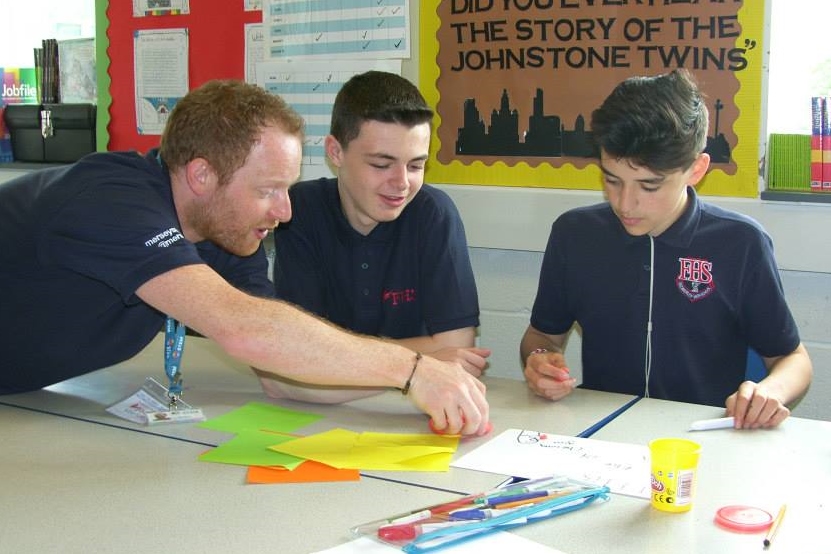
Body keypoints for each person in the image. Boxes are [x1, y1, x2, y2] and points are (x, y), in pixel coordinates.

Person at [0, 79, 489, 436]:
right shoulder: (111, 201)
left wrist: (412, 370)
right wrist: (413, 369)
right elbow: (247, 330)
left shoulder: (230, 238)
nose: (286, 209)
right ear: (201, 176)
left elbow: (282, 370)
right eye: (269, 190)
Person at [520, 69, 812, 429]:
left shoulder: (740, 243)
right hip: (600, 436)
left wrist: (770, 391)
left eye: (650, 186)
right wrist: (539, 359)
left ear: (696, 169)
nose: (625, 204)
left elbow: (792, 358)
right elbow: (542, 336)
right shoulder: (574, 234)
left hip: (704, 437)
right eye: (612, 180)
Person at [261, 70, 490, 404]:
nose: (401, 183)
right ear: (335, 152)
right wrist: (420, 364)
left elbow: (459, 350)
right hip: (323, 416)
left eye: (415, 166)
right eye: (382, 164)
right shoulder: (300, 212)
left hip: (410, 409)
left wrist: (330, 358)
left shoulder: (433, 214)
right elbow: (287, 373)